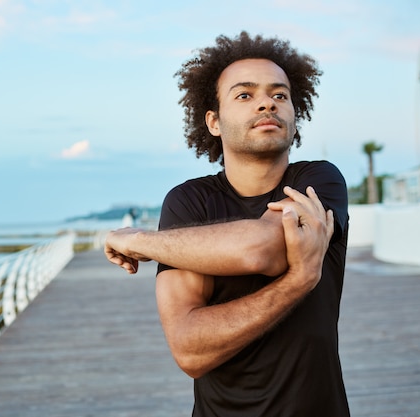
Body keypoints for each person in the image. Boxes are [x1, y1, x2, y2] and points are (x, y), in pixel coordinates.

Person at [105, 31, 350, 416]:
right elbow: (190, 350)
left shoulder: (320, 180)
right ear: (214, 122)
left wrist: (137, 241)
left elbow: (262, 249)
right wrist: (297, 282)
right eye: (245, 95)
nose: (267, 102)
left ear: (294, 116)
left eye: (280, 95)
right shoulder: (189, 201)